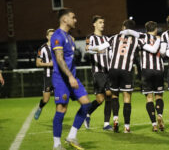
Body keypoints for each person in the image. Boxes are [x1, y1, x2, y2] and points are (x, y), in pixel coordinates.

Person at [91, 19, 161, 133]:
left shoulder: (114, 37)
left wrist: (89, 49)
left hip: (113, 69)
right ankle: (127, 127)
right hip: (126, 71)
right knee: (127, 98)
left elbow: (99, 48)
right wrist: (158, 40)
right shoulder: (137, 40)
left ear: (123, 27)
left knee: (114, 96)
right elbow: (153, 50)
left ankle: (115, 119)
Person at [51, 8, 91, 150]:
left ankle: (72, 136)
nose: (75, 20)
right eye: (73, 17)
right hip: (62, 79)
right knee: (61, 109)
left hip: (72, 78)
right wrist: (69, 76)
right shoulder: (57, 36)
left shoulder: (69, 37)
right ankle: (56, 145)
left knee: (86, 103)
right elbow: (59, 59)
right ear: (64, 19)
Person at [83, 15, 113, 131]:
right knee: (104, 96)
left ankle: (105, 124)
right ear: (94, 24)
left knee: (105, 97)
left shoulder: (106, 38)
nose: (102, 24)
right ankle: (89, 115)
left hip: (108, 71)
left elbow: (110, 54)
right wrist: (97, 49)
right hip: (98, 72)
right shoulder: (90, 37)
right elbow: (88, 49)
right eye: (100, 22)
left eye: (103, 22)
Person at [139, 21, 165, 132]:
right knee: (159, 96)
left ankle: (154, 124)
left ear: (146, 29)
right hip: (158, 70)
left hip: (146, 70)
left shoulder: (141, 39)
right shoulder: (160, 39)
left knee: (149, 98)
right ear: (155, 29)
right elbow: (163, 53)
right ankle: (160, 115)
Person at [34, 29, 55, 120]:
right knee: (46, 100)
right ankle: (40, 107)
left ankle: (58, 117)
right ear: (47, 37)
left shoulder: (58, 47)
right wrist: (49, 64)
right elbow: (38, 63)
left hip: (58, 76)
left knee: (61, 98)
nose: (52, 37)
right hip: (48, 76)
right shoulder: (42, 48)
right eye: (50, 35)